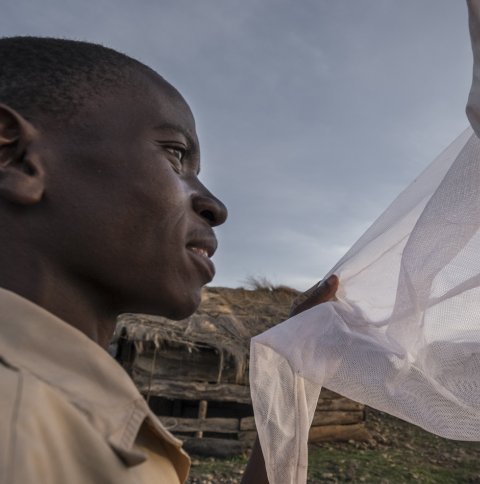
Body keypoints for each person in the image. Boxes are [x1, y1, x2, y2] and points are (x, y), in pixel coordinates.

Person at [0, 36, 336, 483]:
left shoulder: (62, 408)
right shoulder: (19, 426)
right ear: (16, 157)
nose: (215, 206)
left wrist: (299, 368)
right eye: (175, 154)